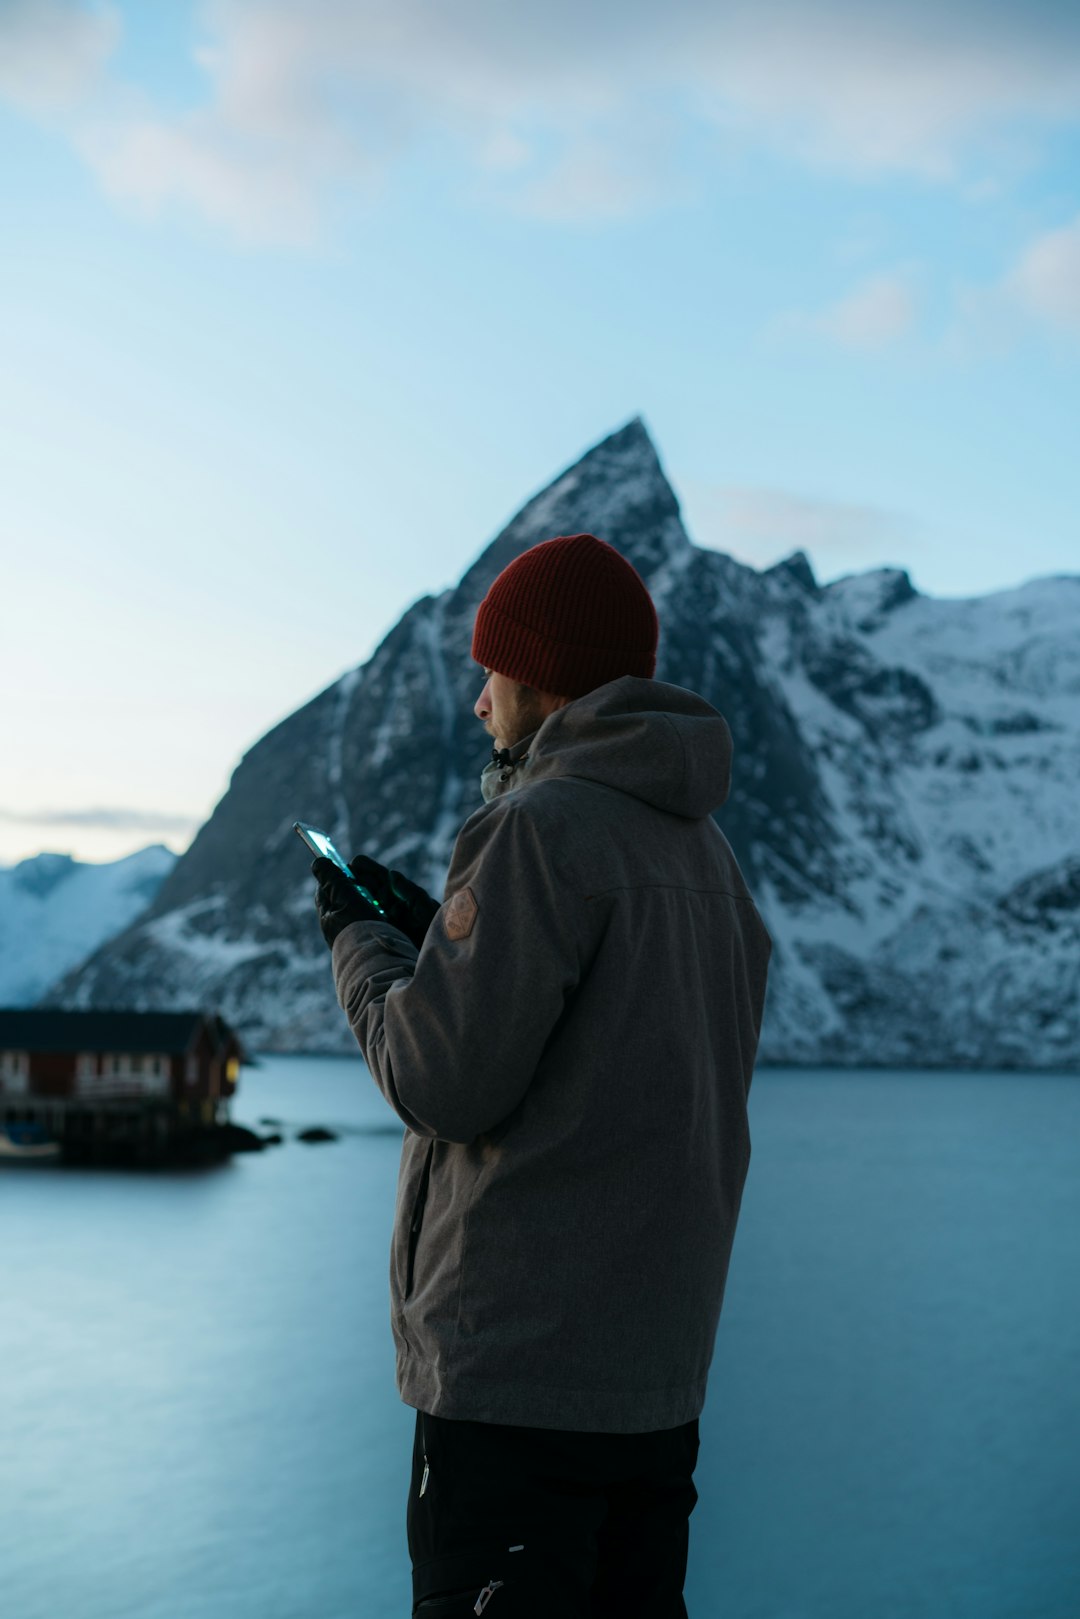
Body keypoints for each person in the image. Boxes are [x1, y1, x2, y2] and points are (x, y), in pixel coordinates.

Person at [312, 532, 771, 1617]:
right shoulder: (708, 857)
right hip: (653, 1390)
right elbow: (602, 1053)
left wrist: (360, 944)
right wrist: (447, 946)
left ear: (545, 676)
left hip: (515, 1383)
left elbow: (442, 1079)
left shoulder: (537, 827)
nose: (480, 701)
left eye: (492, 670)